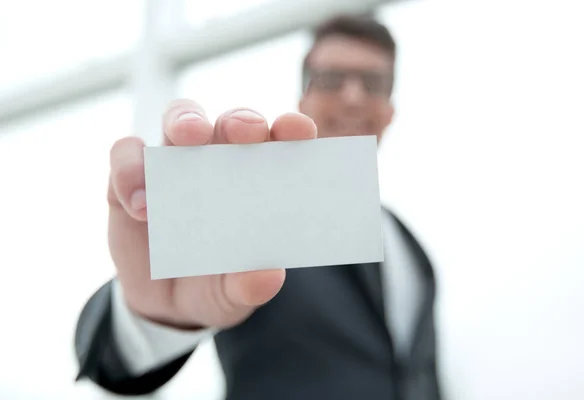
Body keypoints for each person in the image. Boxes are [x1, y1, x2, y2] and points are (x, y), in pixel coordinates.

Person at [74, 15, 443, 400]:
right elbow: (140, 327)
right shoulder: (253, 208)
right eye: (333, 78)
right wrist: (151, 317)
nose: (353, 95)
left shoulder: (412, 249)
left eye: (373, 82)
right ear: (304, 98)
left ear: (390, 109)